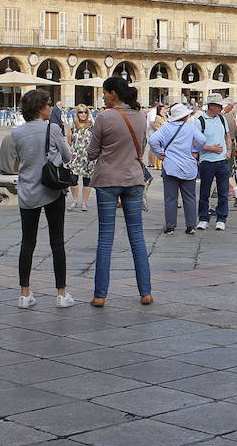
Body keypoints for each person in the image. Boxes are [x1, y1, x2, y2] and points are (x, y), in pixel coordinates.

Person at [0, 89, 75, 309]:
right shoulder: (52, 129)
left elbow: (11, 164)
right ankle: (61, 294)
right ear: (41, 108)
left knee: (27, 242)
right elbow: (68, 156)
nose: (51, 108)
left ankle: (24, 294)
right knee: (57, 242)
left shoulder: (16, 133)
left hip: (27, 191)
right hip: (51, 191)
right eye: (48, 105)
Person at [86, 76, 153, 307]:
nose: (103, 96)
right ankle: (145, 292)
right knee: (137, 236)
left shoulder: (104, 117)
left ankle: (100, 295)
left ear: (113, 93)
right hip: (133, 179)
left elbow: (92, 152)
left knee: (105, 237)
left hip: (107, 181)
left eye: (105, 93)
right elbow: (142, 147)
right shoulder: (141, 116)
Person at [150, 102, 205, 235]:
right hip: (188, 166)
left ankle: (170, 227)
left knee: (170, 198)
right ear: (185, 116)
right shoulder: (190, 128)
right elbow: (202, 140)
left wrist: (159, 153)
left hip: (170, 165)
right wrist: (194, 150)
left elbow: (152, 140)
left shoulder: (166, 127)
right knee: (190, 198)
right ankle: (191, 226)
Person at [196, 95, 234, 232]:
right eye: (219, 105)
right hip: (207, 162)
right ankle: (203, 218)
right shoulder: (200, 121)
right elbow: (195, 143)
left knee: (223, 192)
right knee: (204, 191)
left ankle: (221, 218)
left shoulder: (222, 119)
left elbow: (227, 136)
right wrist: (210, 148)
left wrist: (229, 150)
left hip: (222, 161)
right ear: (211, 106)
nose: (221, 108)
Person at [66, 105, 95, 211]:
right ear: (77, 113)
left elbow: (95, 139)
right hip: (75, 156)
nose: (83, 114)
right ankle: (75, 200)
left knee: (87, 180)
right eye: (80, 112)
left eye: (85, 112)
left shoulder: (92, 125)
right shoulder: (72, 125)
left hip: (88, 157)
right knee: (73, 179)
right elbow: (69, 140)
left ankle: (84, 203)